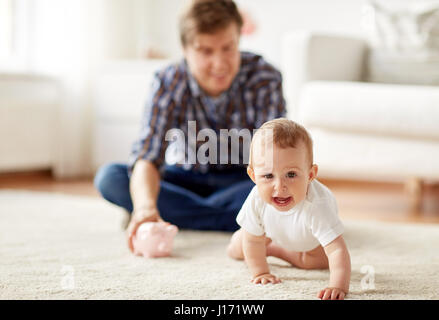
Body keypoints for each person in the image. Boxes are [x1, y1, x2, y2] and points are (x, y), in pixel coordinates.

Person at [93, 0, 286, 253]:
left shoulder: (264, 77)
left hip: (245, 179)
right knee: (111, 178)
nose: (219, 63)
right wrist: (145, 208)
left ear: (239, 41)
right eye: (206, 51)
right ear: (185, 49)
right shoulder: (168, 81)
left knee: (287, 188)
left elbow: (276, 158)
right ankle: (242, 220)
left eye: (228, 48)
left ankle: (183, 215)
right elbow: (148, 156)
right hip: (185, 176)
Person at [226, 118, 351, 300]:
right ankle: (266, 245)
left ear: (310, 175)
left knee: (318, 262)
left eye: (291, 174)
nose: (279, 186)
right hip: (271, 231)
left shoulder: (317, 205)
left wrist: (338, 286)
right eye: (268, 175)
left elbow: (337, 250)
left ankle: (274, 249)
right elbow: (253, 241)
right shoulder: (256, 198)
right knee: (239, 247)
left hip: (310, 242)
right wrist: (260, 273)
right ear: (253, 176)